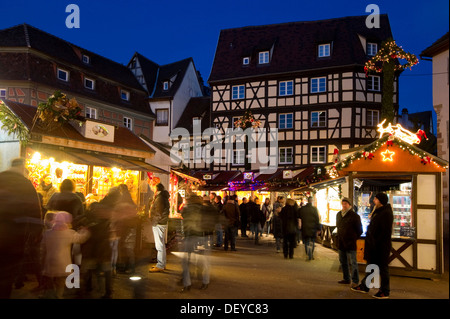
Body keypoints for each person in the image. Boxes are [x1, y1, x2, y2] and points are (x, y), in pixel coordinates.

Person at [0, 158, 43, 298]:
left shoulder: (1, 177)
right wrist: (36, 234)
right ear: (23, 169)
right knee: (6, 274)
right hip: (13, 238)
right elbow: (35, 211)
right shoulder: (26, 184)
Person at [352, 192, 394, 299]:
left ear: (380, 201)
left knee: (383, 268)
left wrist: (375, 243)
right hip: (374, 245)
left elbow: (383, 232)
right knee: (371, 267)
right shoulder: (378, 211)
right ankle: (365, 286)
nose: (373, 201)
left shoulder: (385, 213)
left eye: (375, 199)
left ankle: (384, 291)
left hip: (380, 246)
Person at [40, 211, 90, 299]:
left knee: (50, 280)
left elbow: (42, 248)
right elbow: (81, 239)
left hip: (50, 261)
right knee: (60, 282)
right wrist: (84, 231)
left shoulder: (47, 233)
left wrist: (42, 259)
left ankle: (50, 295)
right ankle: (58, 296)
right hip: (63, 262)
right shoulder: (69, 233)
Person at [336, 197, 363, 288]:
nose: (344, 205)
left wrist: (353, 238)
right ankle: (346, 278)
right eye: (343, 203)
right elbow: (338, 226)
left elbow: (360, 230)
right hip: (341, 242)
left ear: (350, 205)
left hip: (350, 243)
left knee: (353, 262)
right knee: (343, 261)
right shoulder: (339, 214)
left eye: (346, 204)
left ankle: (355, 280)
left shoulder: (355, 216)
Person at [147, 181, 170, 272]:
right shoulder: (161, 197)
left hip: (159, 223)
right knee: (161, 244)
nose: (152, 189)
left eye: (153, 187)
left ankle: (160, 265)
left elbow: (158, 212)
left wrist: (153, 221)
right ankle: (161, 264)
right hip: (161, 222)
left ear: (157, 189)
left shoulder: (160, 198)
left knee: (159, 245)